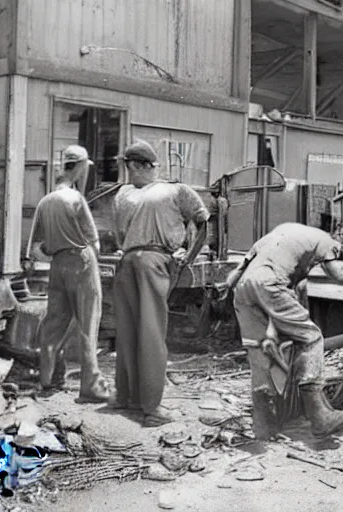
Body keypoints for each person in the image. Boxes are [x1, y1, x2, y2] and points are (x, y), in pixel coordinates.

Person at [217, 222, 343, 437]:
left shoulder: (270, 239)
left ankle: (264, 427)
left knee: (259, 350)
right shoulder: (326, 241)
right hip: (271, 284)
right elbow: (339, 276)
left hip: (243, 290)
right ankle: (320, 416)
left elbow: (233, 277)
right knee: (311, 338)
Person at [109, 140, 210, 426]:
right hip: (151, 261)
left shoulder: (124, 195)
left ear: (140, 166)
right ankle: (151, 409)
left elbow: (119, 236)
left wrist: (185, 255)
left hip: (129, 261)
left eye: (129, 167)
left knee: (128, 331)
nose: (128, 173)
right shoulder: (175, 190)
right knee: (150, 333)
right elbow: (204, 222)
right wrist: (187, 256)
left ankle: (125, 397)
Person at [27, 145, 110, 403]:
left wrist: (56, 253)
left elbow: (34, 250)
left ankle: (47, 381)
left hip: (57, 265)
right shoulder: (76, 199)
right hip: (81, 261)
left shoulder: (45, 202)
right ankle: (91, 387)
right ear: (81, 167)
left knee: (54, 322)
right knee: (88, 323)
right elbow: (94, 242)